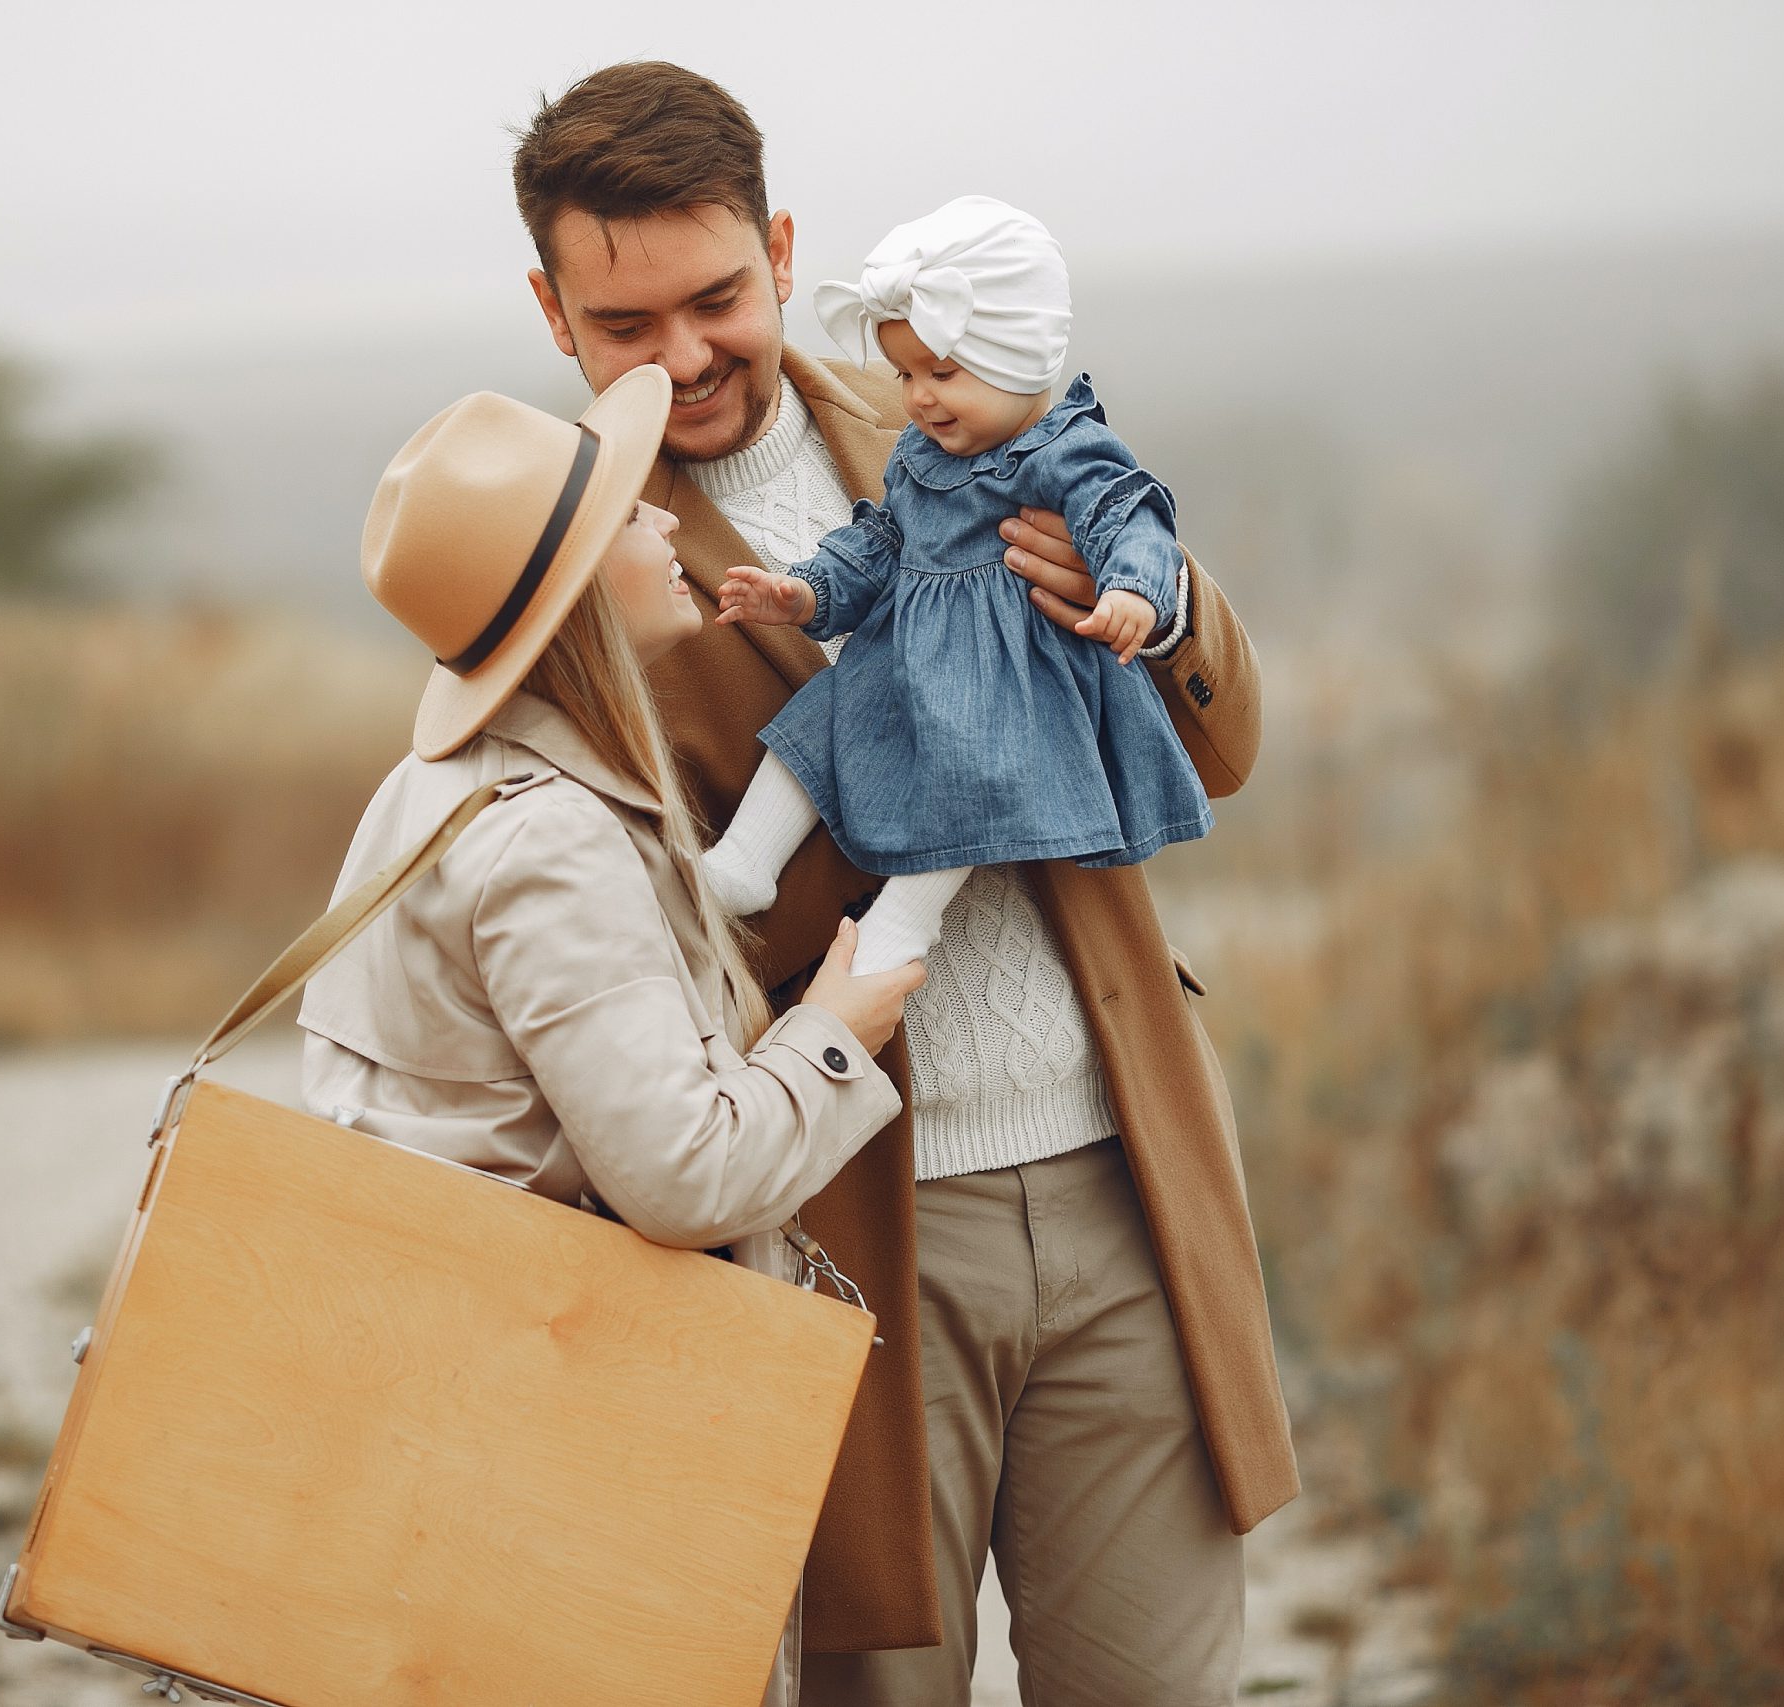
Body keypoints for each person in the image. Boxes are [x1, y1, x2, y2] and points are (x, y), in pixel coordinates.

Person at [509, 61, 1299, 1707]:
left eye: (716, 297)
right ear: (549, 310)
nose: (683, 355)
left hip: (1121, 1189)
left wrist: (1147, 595)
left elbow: (1221, 755)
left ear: (784, 248)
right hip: (834, 1242)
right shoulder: (553, 568)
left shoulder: (975, 410)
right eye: (623, 323)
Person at [295, 366, 925, 1707]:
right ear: (582, 584)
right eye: (629, 510)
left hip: (443, 1413)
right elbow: (680, 1177)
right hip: (551, 1440)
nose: (662, 518)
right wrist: (832, 1032)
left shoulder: (432, 792)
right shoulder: (549, 837)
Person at [704, 194, 1213, 976]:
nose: (919, 397)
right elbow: (879, 541)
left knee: (965, 769)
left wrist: (1134, 593)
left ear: (1020, 358)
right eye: (906, 373)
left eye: (942, 372)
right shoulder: (920, 453)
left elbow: (1127, 516)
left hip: (1004, 678)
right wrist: (805, 592)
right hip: (900, 660)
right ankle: (743, 859)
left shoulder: (1061, 449)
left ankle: (905, 922)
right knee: (814, 728)